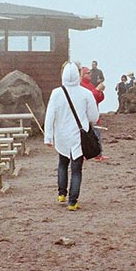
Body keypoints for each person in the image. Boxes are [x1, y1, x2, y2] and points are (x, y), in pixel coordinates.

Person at [44, 62, 100, 210]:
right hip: (78, 137)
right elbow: (94, 117)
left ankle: (61, 193)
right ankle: (72, 202)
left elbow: (50, 116)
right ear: (77, 75)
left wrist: (48, 138)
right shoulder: (86, 94)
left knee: (62, 163)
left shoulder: (56, 93)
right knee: (77, 169)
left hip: (61, 136)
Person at [80, 67, 107, 160]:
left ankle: (96, 154)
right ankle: (96, 154)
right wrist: (97, 90)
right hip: (86, 116)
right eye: (87, 73)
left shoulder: (89, 84)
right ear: (82, 75)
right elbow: (89, 98)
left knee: (94, 135)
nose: (90, 74)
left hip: (92, 113)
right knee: (92, 136)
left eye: (90, 72)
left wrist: (100, 92)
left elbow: (97, 99)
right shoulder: (81, 85)